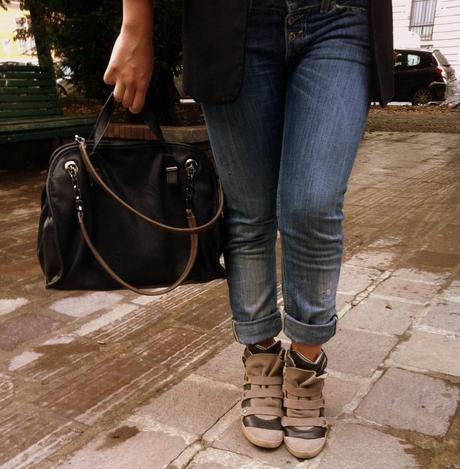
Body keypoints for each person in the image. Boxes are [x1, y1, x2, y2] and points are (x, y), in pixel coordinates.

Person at [104, 0, 394, 459]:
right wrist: (135, 24)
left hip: (341, 16)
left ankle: (305, 366)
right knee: (250, 213)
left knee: (313, 208)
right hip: (230, 20)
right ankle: (260, 359)